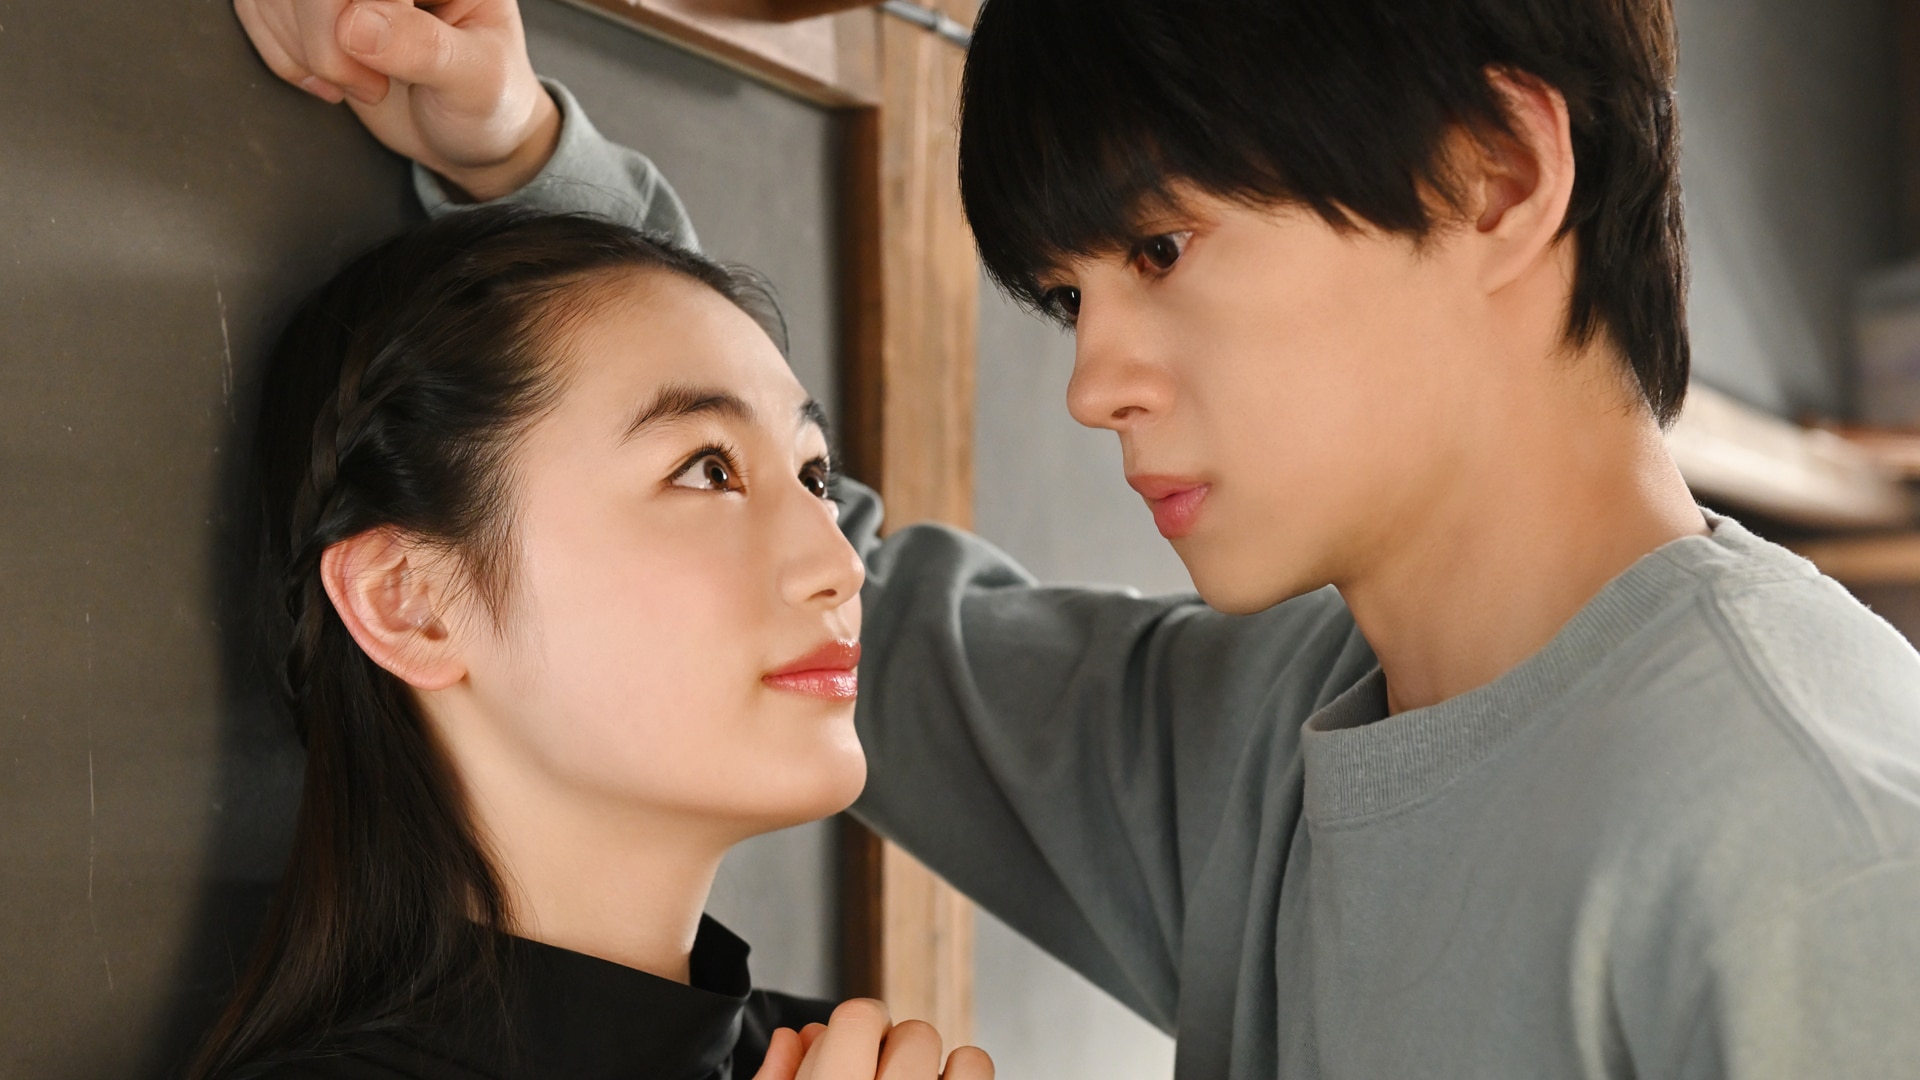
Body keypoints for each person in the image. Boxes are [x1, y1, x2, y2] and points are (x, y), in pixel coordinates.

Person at [236, 0, 1920, 1077]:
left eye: (1162, 250)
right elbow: (832, 619)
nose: (1094, 381)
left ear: (1493, 174)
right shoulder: (1268, 733)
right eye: (1067, 297)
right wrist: (515, 155)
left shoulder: (1814, 848)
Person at [186, 205, 992, 1080]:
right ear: (410, 601)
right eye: (708, 470)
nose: (841, 565)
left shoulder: (844, 1059)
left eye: (814, 476)